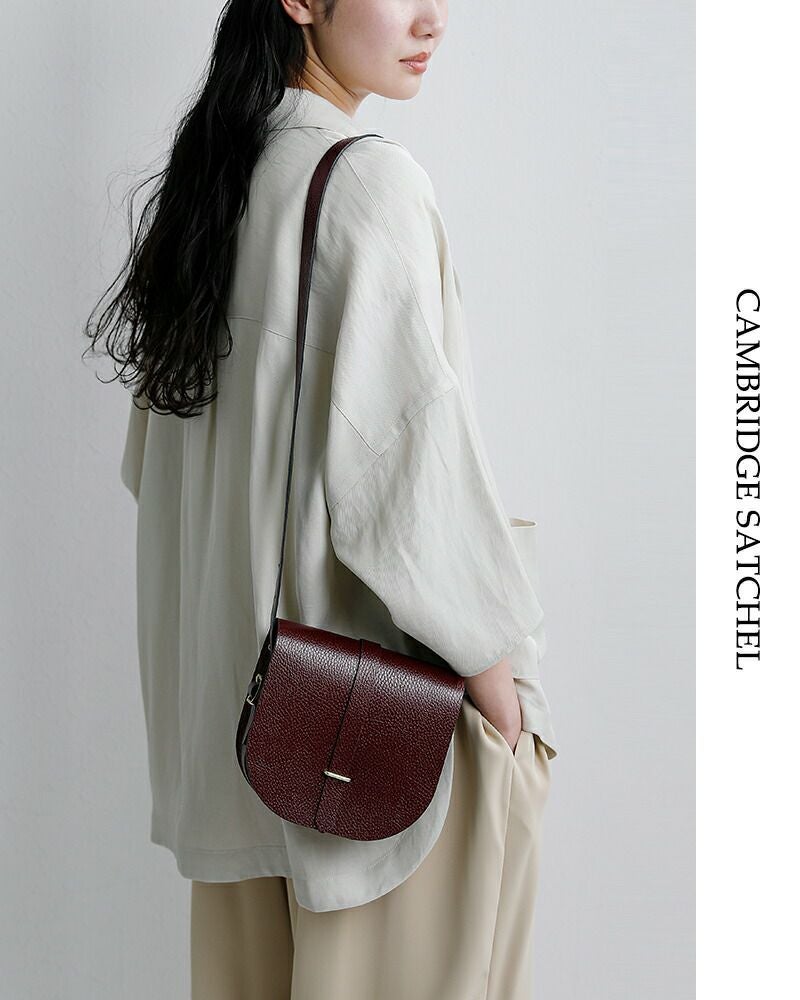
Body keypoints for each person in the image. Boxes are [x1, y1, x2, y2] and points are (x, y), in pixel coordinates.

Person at [84, 1, 559, 997]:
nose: (433, 19)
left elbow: (154, 471)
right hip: (379, 766)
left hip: (234, 757)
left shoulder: (210, 188)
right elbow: (409, 479)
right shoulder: (366, 183)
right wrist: (506, 707)